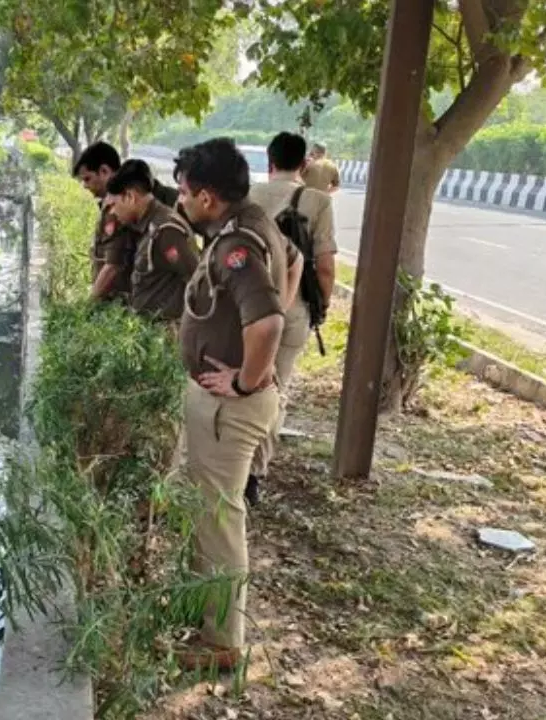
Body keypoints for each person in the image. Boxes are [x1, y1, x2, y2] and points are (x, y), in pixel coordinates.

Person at [173, 138, 291, 671]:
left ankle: (222, 645)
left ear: (205, 196)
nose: (179, 201)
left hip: (230, 410)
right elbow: (295, 264)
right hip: (226, 405)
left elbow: (268, 321)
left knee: (220, 523)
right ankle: (207, 619)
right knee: (209, 515)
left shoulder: (235, 244)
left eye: (183, 191)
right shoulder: (253, 222)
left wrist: (246, 381)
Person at [245, 132, 337, 506]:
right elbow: (327, 266)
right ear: (304, 165)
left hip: (247, 308)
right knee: (276, 389)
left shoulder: (247, 198)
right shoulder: (316, 201)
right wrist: (322, 306)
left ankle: (234, 461)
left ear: (269, 162)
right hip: (293, 312)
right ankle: (255, 473)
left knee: (244, 381)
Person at [103, 159, 199, 324]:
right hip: (148, 330)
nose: (112, 211)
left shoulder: (166, 230)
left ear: (130, 197)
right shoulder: (147, 226)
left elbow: (196, 280)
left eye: (114, 204)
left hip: (164, 334)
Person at [72, 141, 134, 302]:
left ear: (105, 171)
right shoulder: (112, 203)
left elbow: (113, 265)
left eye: (87, 179)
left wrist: (88, 304)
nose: (85, 186)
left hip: (118, 299)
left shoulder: (117, 209)